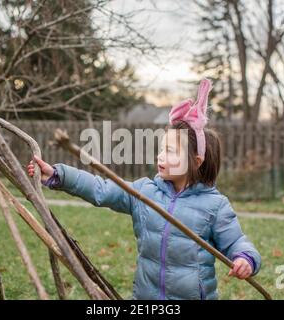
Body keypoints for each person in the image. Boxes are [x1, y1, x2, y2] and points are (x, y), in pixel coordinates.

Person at [27, 79, 261, 300]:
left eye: (171, 151)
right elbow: (101, 189)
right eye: (162, 148)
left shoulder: (215, 206)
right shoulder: (145, 192)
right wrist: (60, 175)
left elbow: (235, 241)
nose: (161, 156)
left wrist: (245, 258)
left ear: (196, 161)